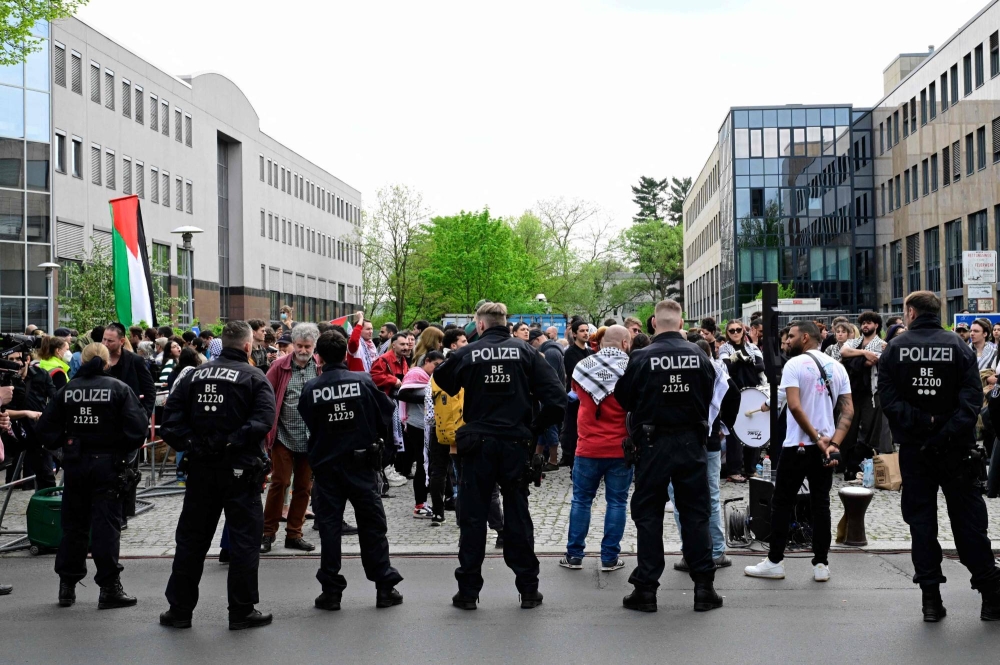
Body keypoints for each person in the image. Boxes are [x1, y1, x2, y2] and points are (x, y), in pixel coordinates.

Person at [434, 302, 566, 610]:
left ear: (479, 325)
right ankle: (529, 589)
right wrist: (533, 428)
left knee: (472, 517)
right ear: (505, 323)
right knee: (518, 514)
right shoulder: (527, 352)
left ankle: (468, 591)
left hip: (477, 444)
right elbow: (558, 399)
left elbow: (442, 378)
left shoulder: (467, 353)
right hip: (515, 444)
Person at [879, 291, 1000, 622]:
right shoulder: (959, 346)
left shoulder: (894, 349)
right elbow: (973, 398)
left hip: (916, 451)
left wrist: (922, 423)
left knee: (921, 524)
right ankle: (991, 596)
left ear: (912, 313)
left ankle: (931, 600)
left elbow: (888, 401)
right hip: (956, 449)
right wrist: (945, 429)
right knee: (969, 524)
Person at [158, 321, 277, 630]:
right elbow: (263, 421)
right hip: (240, 471)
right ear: (249, 346)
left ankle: (179, 610)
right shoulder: (254, 377)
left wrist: (195, 444)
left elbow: (169, 424)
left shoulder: (193, 376)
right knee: (244, 542)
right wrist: (229, 442)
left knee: (191, 541)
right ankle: (241, 610)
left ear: (222, 344)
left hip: (201, 469)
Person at [615, 299, 722, 613]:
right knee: (695, 514)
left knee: (648, 515)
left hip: (652, 443)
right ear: (681, 323)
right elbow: (710, 392)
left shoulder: (641, 356)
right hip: (691, 442)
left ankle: (646, 588)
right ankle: (704, 587)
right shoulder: (699, 355)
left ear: (653, 323)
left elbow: (624, 398)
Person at [296, 330, 404, 610]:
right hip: (361, 465)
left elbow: (309, 420)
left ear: (318, 356)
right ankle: (384, 587)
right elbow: (388, 409)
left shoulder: (311, 388)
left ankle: (331, 591)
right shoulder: (363, 382)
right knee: (372, 527)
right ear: (346, 354)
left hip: (327, 468)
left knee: (329, 529)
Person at [35, 343, 148, 610]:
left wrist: (65, 447)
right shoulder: (119, 388)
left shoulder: (68, 390)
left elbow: (45, 428)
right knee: (105, 527)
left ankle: (67, 587)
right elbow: (138, 427)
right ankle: (109, 588)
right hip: (108, 465)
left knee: (73, 526)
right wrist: (121, 452)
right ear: (107, 362)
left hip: (76, 465)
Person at [745, 320, 853, 584]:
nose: (787, 342)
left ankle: (775, 562)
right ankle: (821, 565)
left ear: (805, 337)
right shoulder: (838, 367)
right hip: (825, 449)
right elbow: (848, 411)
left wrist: (816, 438)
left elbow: (793, 406)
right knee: (821, 505)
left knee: (781, 503)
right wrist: (833, 444)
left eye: (791, 337)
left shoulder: (794, 364)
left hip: (798, 446)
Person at [559, 325, 633, 573]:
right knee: (617, 503)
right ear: (624, 343)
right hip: (620, 448)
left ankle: (574, 556)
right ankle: (610, 558)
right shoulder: (631, 370)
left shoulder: (582, 368)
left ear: (601, 343)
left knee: (581, 501)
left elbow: (578, 397)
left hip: (588, 446)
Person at [670, 339, 738, 572]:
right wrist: (723, 426)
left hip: (681, 441)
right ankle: (716, 551)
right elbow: (735, 395)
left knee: (681, 498)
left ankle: (691, 553)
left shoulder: (680, 367)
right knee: (710, 496)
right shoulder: (716, 370)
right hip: (708, 441)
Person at [261, 323, 320, 554]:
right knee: (280, 482)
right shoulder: (279, 366)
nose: (303, 350)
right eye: (299, 346)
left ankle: (294, 534)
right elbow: (265, 396)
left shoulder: (319, 367)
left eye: (307, 346)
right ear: (292, 345)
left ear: (314, 346)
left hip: (310, 437)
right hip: (283, 434)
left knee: (304, 486)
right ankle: (267, 533)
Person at [102, 322, 155, 528]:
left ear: (122, 341)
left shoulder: (134, 361)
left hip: (129, 425)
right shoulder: (100, 361)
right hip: (105, 425)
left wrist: (142, 417)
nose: (105, 343)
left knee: (127, 470)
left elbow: (149, 391)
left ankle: (123, 513)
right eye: (104, 339)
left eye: (110, 340)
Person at [397, 351, 446, 518]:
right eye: (436, 365)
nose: (438, 369)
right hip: (417, 425)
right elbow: (402, 394)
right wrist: (429, 397)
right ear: (427, 361)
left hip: (426, 426)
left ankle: (426, 502)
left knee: (427, 464)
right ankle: (420, 505)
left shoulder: (431, 377)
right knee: (422, 464)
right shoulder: (416, 374)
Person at [840, 312, 890, 469]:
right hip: (851, 392)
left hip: (871, 393)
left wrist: (856, 358)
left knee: (869, 430)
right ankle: (846, 463)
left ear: (876, 325)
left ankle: (862, 464)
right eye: (863, 323)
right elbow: (843, 352)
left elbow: (876, 360)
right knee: (848, 429)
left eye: (868, 323)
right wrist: (864, 353)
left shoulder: (882, 344)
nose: (865, 326)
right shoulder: (853, 342)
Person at [718, 319, 764, 482]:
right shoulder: (724, 348)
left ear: (743, 331)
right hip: (734, 394)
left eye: (738, 329)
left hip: (753, 391)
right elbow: (726, 367)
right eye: (732, 330)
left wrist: (738, 361)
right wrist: (743, 362)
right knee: (735, 433)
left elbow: (761, 366)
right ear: (727, 333)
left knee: (755, 429)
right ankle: (734, 469)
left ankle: (751, 468)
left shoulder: (752, 347)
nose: (736, 333)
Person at [371, 333, 411, 487]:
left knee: (396, 436)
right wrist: (393, 380)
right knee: (388, 437)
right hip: (386, 405)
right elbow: (374, 377)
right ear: (393, 344)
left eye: (407, 345)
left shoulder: (403, 360)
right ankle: (385, 470)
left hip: (398, 405)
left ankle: (390, 468)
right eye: (402, 344)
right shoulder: (383, 360)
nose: (405, 347)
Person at [529, 328, 566, 470]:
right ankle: (537, 458)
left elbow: (548, 377)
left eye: (532, 344)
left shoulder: (549, 352)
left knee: (550, 429)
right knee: (543, 429)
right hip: (551, 396)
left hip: (549, 397)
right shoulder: (554, 349)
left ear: (538, 340)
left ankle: (553, 461)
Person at [560, 319, 593, 467]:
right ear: (574, 334)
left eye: (587, 330)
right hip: (575, 399)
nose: (586, 333)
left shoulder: (590, 351)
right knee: (573, 431)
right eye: (582, 331)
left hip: (588, 399)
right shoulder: (571, 353)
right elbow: (576, 375)